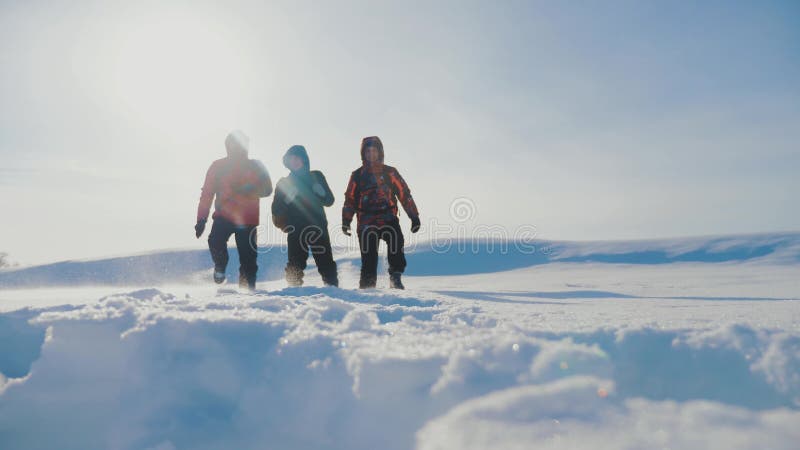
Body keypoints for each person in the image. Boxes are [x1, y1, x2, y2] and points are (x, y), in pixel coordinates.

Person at [195, 130, 272, 290]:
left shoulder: (255, 165)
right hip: (224, 216)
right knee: (215, 241)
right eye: (233, 143)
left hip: (247, 220)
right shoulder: (218, 166)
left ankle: (247, 291)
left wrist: (248, 189)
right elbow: (207, 193)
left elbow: (267, 189)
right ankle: (220, 267)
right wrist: (201, 219)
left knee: (248, 259)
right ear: (227, 146)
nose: (237, 147)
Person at [342, 136, 420, 289]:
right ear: (363, 153)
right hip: (366, 221)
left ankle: (395, 278)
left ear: (380, 152)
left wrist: (414, 216)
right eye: (368, 151)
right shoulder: (357, 175)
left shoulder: (390, 172)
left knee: (396, 245)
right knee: (369, 258)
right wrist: (346, 220)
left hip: (388, 217)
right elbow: (350, 199)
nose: (371, 154)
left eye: (374, 151)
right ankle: (367, 287)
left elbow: (404, 194)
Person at [271, 145, 338, 287]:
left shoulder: (316, 176)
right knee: (295, 264)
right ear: (287, 162)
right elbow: (276, 211)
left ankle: (333, 290)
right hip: (296, 229)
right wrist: (287, 200)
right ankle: (293, 291)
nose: (294, 161)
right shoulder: (284, 183)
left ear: (304, 159)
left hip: (318, 226)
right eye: (291, 159)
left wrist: (321, 193)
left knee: (325, 262)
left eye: (297, 157)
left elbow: (330, 201)